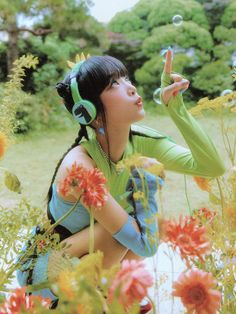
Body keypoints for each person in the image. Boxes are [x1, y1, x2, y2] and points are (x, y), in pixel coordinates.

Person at [16, 49, 226, 310]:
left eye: (126, 78)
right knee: (122, 232)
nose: (130, 87)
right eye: (113, 83)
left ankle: (109, 293)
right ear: (87, 110)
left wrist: (177, 108)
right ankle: (92, 300)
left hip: (87, 255)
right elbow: (143, 244)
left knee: (134, 228)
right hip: (44, 267)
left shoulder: (140, 142)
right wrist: (147, 186)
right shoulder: (79, 166)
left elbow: (211, 167)